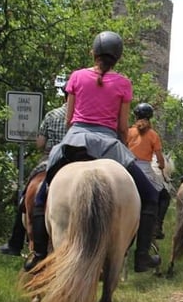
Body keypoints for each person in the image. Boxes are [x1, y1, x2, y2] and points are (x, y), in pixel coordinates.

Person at [27, 30, 161, 273]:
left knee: (40, 195)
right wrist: (122, 148)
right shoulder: (123, 83)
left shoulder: (76, 77)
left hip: (74, 140)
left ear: (93, 52)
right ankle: (142, 256)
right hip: (110, 145)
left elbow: (69, 119)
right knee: (151, 195)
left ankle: (38, 254)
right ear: (118, 58)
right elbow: (122, 126)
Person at [0, 78, 68, 257]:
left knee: (24, 196)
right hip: (73, 160)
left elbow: (40, 143)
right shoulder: (80, 117)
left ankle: (15, 243)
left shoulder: (52, 115)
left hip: (51, 158)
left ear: (65, 96)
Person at [127, 102, 172, 240]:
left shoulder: (128, 132)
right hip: (145, 169)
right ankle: (156, 227)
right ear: (150, 117)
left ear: (135, 116)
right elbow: (159, 158)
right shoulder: (153, 135)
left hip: (128, 166)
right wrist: (162, 167)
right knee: (164, 196)